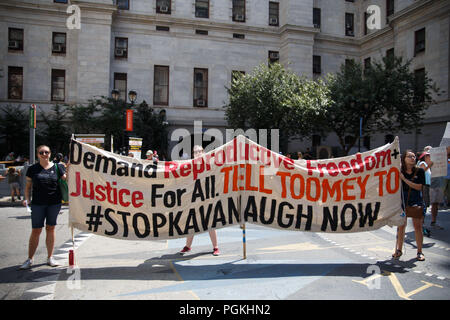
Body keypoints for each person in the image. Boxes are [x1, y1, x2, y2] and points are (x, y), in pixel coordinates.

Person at [19, 145, 67, 270]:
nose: (44, 154)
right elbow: (28, 186)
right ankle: (30, 259)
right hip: (37, 204)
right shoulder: (32, 169)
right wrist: (26, 199)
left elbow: (66, 180)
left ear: (50, 154)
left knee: (51, 228)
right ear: (38, 154)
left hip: (54, 203)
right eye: (41, 152)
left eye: (46, 152)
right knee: (36, 230)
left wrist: (72, 168)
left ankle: (50, 257)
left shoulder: (58, 167)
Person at [180, 145, 220, 256]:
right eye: (195, 152)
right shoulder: (190, 165)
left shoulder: (209, 165)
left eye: (199, 151)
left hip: (207, 197)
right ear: (193, 154)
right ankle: (187, 246)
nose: (197, 153)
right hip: (194, 198)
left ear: (203, 152)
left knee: (210, 223)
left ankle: (215, 247)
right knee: (191, 223)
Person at [393, 150, 426, 261]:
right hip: (402, 201)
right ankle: (399, 249)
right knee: (401, 226)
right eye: (409, 156)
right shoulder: (399, 171)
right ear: (404, 159)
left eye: (414, 156)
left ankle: (419, 251)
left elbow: (419, 187)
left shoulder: (420, 171)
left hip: (416, 200)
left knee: (418, 226)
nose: (413, 158)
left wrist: (404, 179)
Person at [417, 151, 432, 236]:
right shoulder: (423, 163)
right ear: (425, 157)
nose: (430, 157)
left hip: (426, 186)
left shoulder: (426, 164)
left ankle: (422, 224)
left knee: (425, 206)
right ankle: (421, 225)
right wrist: (429, 165)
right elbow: (421, 172)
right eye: (428, 156)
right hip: (423, 186)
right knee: (424, 205)